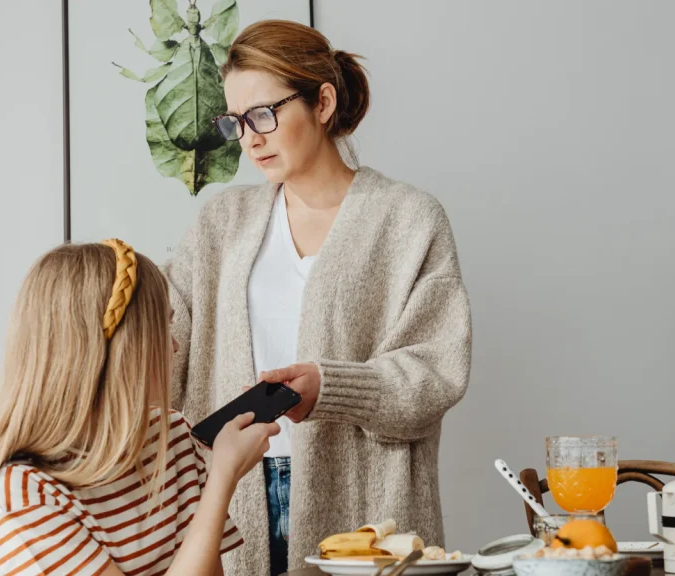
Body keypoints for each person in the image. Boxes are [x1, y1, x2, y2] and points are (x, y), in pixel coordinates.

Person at [164, 19, 472, 576]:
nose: (250, 138)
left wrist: (331, 387)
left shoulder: (408, 219)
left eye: (263, 114)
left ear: (322, 102)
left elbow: (436, 372)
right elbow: (164, 342)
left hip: (368, 508)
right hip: (233, 497)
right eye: (235, 122)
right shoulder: (220, 224)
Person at [0, 240, 280, 576]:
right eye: (162, 329)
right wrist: (223, 476)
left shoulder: (169, 437)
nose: (174, 346)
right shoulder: (23, 495)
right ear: (122, 350)